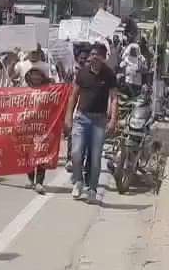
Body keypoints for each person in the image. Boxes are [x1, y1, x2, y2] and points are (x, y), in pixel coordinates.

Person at [63, 42, 118, 204]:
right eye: (92, 54)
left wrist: (113, 119)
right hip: (81, 118)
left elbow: (114, 98)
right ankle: (78, 180)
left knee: (95, 157)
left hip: (99, 120)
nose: (94, 57)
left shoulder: (109, 75)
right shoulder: (82, 73)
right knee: (76, 152)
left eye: (98, 55)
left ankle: (92, 189)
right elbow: (73, 96)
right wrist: (68, 117)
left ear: (104, 58)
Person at [24, 62, 53, 195]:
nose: (36, 78)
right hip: (28, 127)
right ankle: (31, 180)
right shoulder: (23, 90)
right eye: (33, 75)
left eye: (38, 75)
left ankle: (40, 182)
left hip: (43, 127)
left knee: (41, 154)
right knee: (28, 155)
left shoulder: (49, 90)